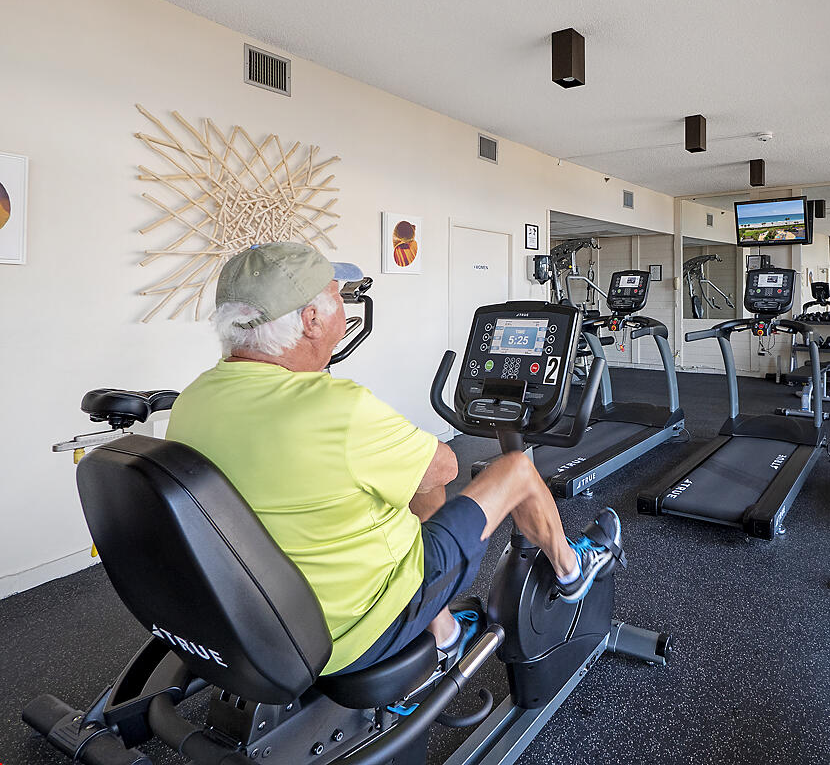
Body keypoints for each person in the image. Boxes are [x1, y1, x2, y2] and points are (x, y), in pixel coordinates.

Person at [166, 242, 621, 676]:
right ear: (311, 320)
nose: (345, 308)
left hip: (254, 617)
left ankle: (443, 631)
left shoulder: (193, 400)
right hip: (351, 630)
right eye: (337, 297)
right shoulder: (337, 409)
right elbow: (446, 465)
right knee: (516, 469)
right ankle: (571, 571)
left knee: (409, 480)